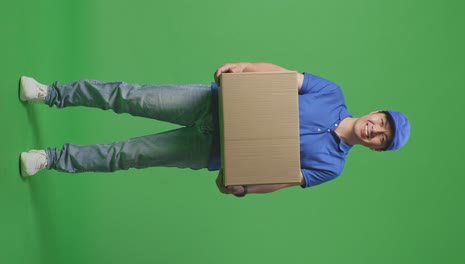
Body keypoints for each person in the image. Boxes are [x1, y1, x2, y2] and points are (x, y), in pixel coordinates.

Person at [19, 62, 410, 197]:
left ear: (375, 149)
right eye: (381, 122)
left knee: (129, 154)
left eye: (381, 138)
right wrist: (244, 68)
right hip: (211, 102)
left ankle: (50, 159)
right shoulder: (332, 92)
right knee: (128, 96)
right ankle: (50, 93)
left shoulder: (333, 167)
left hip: (210, 151)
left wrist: (242, 188)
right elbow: (285, 77)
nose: (375, 129)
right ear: (376, 112)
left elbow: (286, 179)